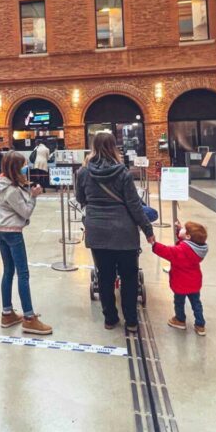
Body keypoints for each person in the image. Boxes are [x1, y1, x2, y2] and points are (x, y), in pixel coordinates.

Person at [75, 132, 155, 332]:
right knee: (129, 276)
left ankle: (110, 318)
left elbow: (80, 198)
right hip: (124, 232)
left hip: (97, 230)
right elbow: (134, 205)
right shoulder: (123, 173)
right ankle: (131, 320)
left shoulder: (83, 172)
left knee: (105, 276)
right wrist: (147, 229)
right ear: (114, 147)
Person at [0, 151, 51, 335]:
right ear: (15, 168)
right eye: (23, 165)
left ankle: (7, 313)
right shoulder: (9, 189)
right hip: (12, 233)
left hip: (0, 230)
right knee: (23, 273)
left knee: (8, 271)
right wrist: (34, 196)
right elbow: (25, 211)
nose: (26, 168)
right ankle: (29, 318)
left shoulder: (2, 183)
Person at [148, 220, 208, 336]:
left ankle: (180, 320)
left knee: (179, 302)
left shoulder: (180, 251)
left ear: (188, 236)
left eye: (184, 229)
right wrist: (179, 230)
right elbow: (186, 243)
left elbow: (167, 251)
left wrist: (154, 244)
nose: (182, 229)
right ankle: (200, 325)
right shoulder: (198, 250)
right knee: (196, 303)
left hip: (180, 282)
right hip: (194, 282)